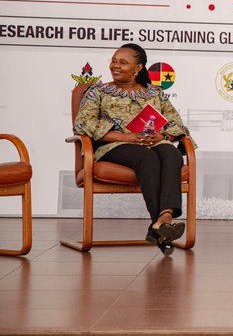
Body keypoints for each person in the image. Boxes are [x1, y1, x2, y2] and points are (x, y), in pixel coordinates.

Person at [73, 43, 192, 255]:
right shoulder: (98, 92)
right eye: (114, 60)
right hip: (113, 145)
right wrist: (123, 136)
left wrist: (162, 136)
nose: (115, 65)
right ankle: (162, 226)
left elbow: (177, 123)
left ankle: (163, 219)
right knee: (147, 157)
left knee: (171, 152)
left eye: (123, 62)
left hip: (152, 142)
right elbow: (83, 123)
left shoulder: (155, 93)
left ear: (138, 68)